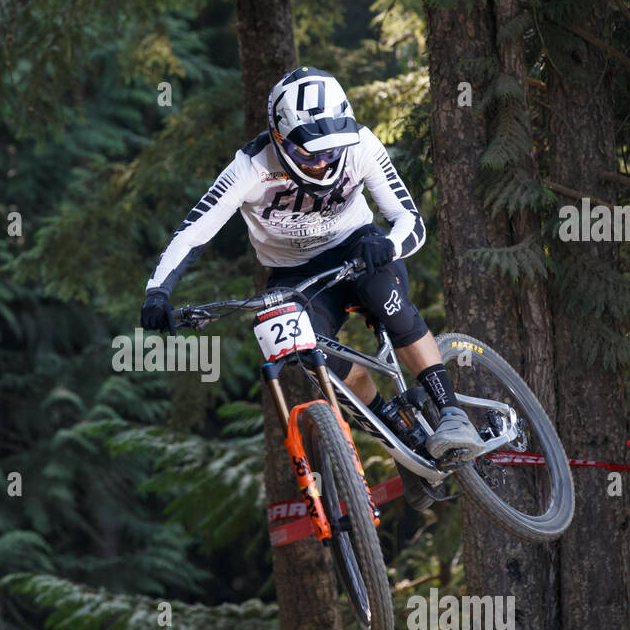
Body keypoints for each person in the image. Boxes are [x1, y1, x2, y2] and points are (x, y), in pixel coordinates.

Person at [138, 66, 481, 506]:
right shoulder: (251, 167)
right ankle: (394, 427)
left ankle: (450, 409)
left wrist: (387, 245)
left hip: (361, 249)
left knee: (385, 298)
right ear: (280, 140)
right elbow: (194, 232)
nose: (320, 162)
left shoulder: (361, 143)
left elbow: (410, 222)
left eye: (329, 150)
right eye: (307, 154)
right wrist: (158, 291)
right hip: (294, 275)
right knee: (304, 350)